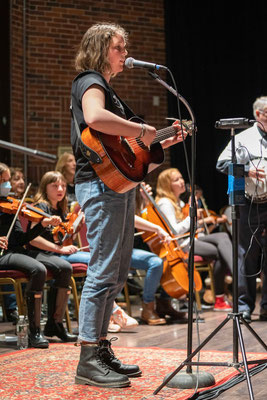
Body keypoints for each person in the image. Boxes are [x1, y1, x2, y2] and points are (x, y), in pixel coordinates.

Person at [71, 22, 188, 388]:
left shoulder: (111, 91)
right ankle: (88, 358)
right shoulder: (90, 79)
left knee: (118, 272)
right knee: (104, 270)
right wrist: (140, 131)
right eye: (119, 47)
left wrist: (161, 141)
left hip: (116, 186)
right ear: (101, 47)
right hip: (98, 185)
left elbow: (132, 156)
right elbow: (93, 118)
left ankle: (101, 348)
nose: (125, 53)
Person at [0, 162, 62, 348]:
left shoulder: (9, 205)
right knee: (37, 269)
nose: (7, 185)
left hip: (13, 251)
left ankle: (53, 324)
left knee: (59, 266)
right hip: (2, 255)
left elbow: (20, 240)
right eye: (3, 181)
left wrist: (42, 225)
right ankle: (34, 331)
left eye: (7, 181)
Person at [216, 96, 267, 323]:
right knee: (247, 254)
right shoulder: (243, 138)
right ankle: (245, 305)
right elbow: (222, 164)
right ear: (259, 114)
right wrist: (247, 171)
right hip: (250, 204)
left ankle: (266, 306)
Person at [155, 168, 233, 311]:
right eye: (176, 180)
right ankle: (227, 291)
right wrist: (192, 215)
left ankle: (229, 286)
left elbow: (190, 226)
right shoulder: (165, 203)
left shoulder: (177, 201)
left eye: (181, 178)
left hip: (192, 240)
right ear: (167, 184)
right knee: (221, 251)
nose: (182, 181)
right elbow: (175, 231)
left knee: (222, 237)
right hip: (181, 246)